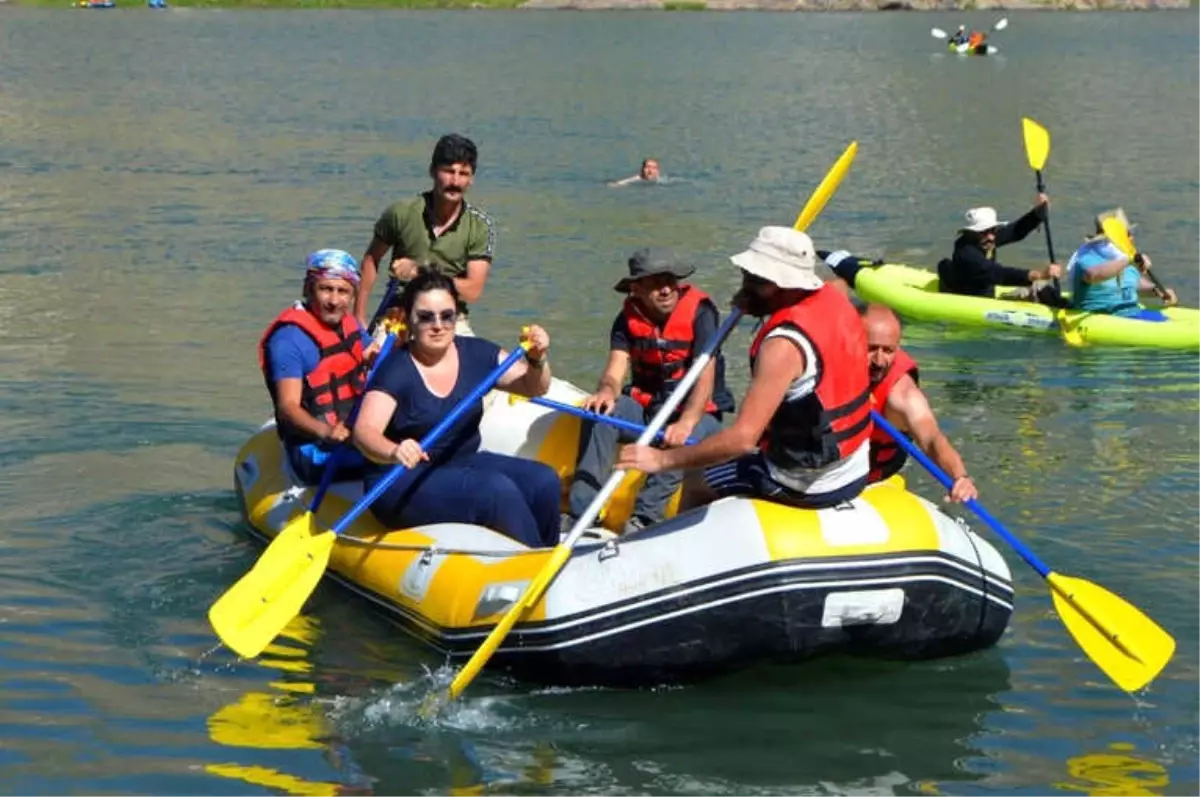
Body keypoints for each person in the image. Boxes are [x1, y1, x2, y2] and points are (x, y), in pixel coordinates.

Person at [616, 226, 873, 512]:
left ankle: (688, 545)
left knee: (697, 476)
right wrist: (759, 298)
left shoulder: (783, 346)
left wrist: (660, 460)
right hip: (855, 466)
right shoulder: (835, 297)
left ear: (778, 282)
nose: (744, 285)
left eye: (752, 279)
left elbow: (741, 440)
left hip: (805, 482)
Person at [352, 271, 560, 548]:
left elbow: (534, 387)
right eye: (426, 317)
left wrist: (538, 359)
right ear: (409, 320)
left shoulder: (477, 353)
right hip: (398, 480)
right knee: (496, 491)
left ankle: (549, 557)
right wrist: (394, 450)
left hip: (459, 462)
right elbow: (364, 432)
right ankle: (533, 568)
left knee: (544, 480)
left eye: (446, 316)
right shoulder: (396, 370)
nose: (438, 325)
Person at [561, 247, 736, 534]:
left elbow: (705, 375)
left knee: (681, 438)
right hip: (650, 410)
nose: (665, 290)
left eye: (670, 280)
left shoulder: (701, 313)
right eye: (655, 283)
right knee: (601, 413)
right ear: (636, 288)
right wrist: (606, 392)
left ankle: (644, 519)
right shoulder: (626, 320)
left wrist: (686, 422)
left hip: (699, 413)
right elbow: (615, 370)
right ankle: (583, 512)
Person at [355, 134, 496, 335]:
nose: (455, 181)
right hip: (399, 312)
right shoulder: (401, 213)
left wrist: (420, 272)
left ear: (471, 179)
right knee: (377, 359)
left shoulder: (480, 226)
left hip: (451, 317)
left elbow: (473, 290)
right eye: (448, 171)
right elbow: (371, 259)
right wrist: (358, 318)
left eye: (463, 173)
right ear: (432, 171)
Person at [259, 250, 374, 485]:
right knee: (386, 459)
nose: (334, 301)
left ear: (352, 295)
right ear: (307, 289)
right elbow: (288, 409)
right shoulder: (288, 340)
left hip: (352, 434)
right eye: (325, 289)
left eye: (343, 291)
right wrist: (327, 432)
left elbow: (373, 356)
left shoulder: (347, 323)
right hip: (312, 448)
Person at [861, 304, 977, 503]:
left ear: (898, 347)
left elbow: (931, 438)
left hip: (873, 479)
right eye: (871, 348)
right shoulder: (820, 362)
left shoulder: (903, 396)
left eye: (888, 350)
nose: (879, 361)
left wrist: (960, 477)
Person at [936, 197, 1062, 302]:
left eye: (993, 230)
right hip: (974, 299)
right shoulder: (967, 254)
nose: (991, 236)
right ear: (971, 233)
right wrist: (1039, 275)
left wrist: (1037, 214)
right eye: (984, 232)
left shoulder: (986, 239)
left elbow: (1016, 230)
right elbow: (999, 274)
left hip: (985, 288)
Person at [1067, 208, 1177, 319]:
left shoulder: (1121, 258)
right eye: (1128, 233)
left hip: (1131, 312)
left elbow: (1131, 283)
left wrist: (1156, 290)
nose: (1131, 237)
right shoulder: (1087, 257)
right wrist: (1129, 260)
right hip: (1098, 315)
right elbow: (1092, 275)